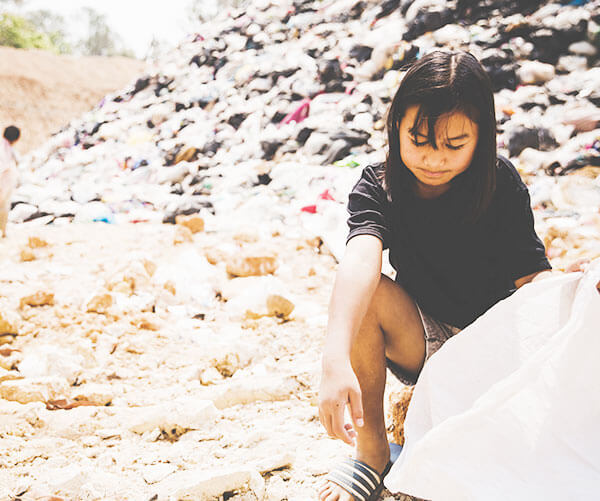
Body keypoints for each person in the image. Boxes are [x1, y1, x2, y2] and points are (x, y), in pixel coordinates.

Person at [317, 50, 552, 501]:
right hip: (424, 341)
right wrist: (334, 356)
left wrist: (572, 292)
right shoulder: (379, 184)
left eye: (454, 144)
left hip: (495, 347)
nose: (433, 158)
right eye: (419, 140)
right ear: (396, 127)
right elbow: (361, 258)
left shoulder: (499, 183)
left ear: (482, 137)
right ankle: (372, 453)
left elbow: (532, 277)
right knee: (368, 293)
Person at [0, 125, 20, 238]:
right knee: (3, 208)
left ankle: (3, 231)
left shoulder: (6, 147)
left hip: (5, 184)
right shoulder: (4, 148)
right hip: (3, 183)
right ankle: (2, 231)